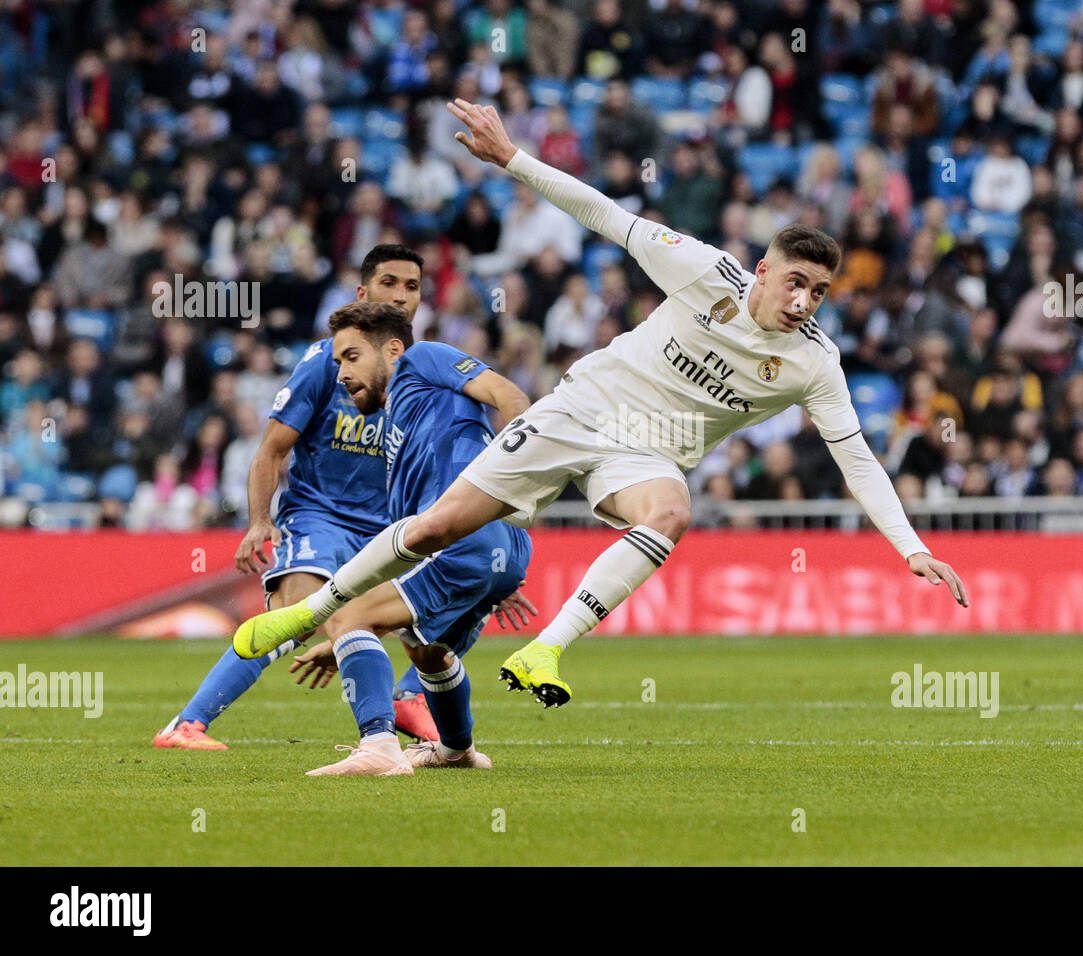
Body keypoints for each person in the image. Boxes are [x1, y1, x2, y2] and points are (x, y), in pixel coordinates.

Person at [233, 99, 968, 712]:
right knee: (433, 529)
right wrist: (512, 159)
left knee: (671, 514)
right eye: (796, 282)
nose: (805, 301)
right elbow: (606, 216)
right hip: (581, 408)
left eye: (820, 292)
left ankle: (546, 649)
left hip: (647, 451)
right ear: (765, 271)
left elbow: (858, 459)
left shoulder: (814, 362)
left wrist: (913, 547)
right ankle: (311, 609)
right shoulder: (704, 270)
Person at [154, 246, 443, 750]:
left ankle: (403, 705)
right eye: (389, 282)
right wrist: (259, 520)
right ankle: (186, 724)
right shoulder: (323, 363)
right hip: (321, 517)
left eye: (412, 286)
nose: (400, 295)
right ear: (362, 292)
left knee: (448, 616)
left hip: (389, 528)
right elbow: (271, 450)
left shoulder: (426, 371)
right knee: (299, 616)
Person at [284, 301, 534, 775]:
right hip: (499, 548)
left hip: (468, 536)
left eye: (352, 357)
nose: (341, 374)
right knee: (428, 652)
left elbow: (509, 395)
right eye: (337, 362)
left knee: (348, 615)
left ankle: (379, 747)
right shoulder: (404, 424)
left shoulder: (422, 360)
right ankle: (457, 751)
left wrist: (351, 630)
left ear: (393, 349)